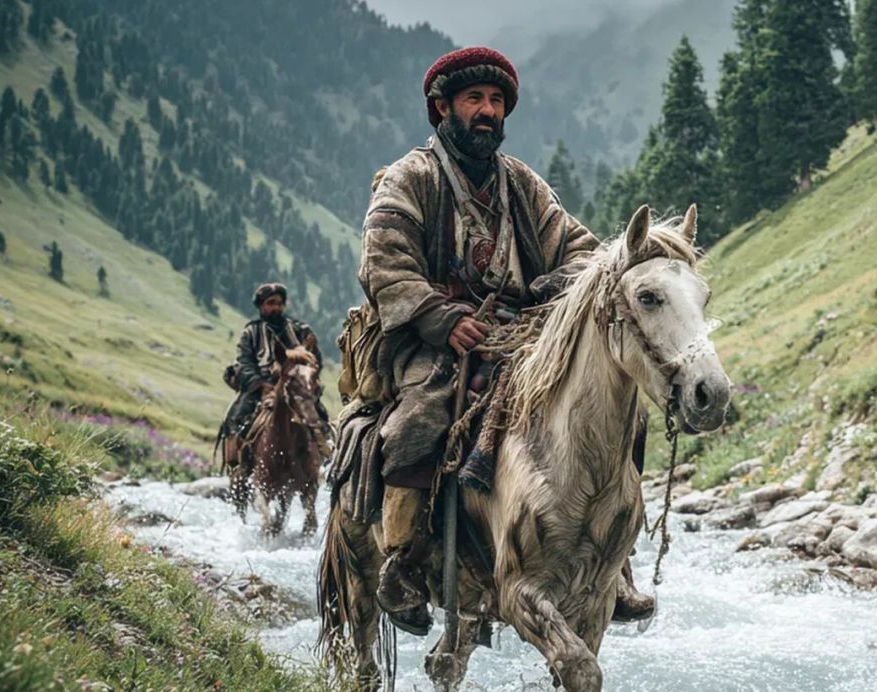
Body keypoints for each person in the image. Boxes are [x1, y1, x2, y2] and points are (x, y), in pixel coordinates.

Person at [357, 46, 656, 634]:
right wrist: (441, 318)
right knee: (417, 419)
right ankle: (402, 558)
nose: (487, 111)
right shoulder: (409, 178)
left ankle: (615, 564)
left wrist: (560, 285)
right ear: (442, 108)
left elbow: (580, 249)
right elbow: (384, 262)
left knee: (627, 414)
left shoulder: (520, 183)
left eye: (496, 101)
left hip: (518, 334)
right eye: (475, 100)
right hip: (435, 341)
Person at [218, 282, 326, 467]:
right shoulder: (251, 332)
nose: (275, 307)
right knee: (236, 416)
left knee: (320, 416)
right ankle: (237, 464)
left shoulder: (300, 330)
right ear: (261, 305)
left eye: (279, 303)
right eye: (270, 303)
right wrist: (260, 384)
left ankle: (327, 456)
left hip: (296, 385)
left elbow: (315, 359)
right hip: (261, 386)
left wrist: (304, 376)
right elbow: (244, 361)